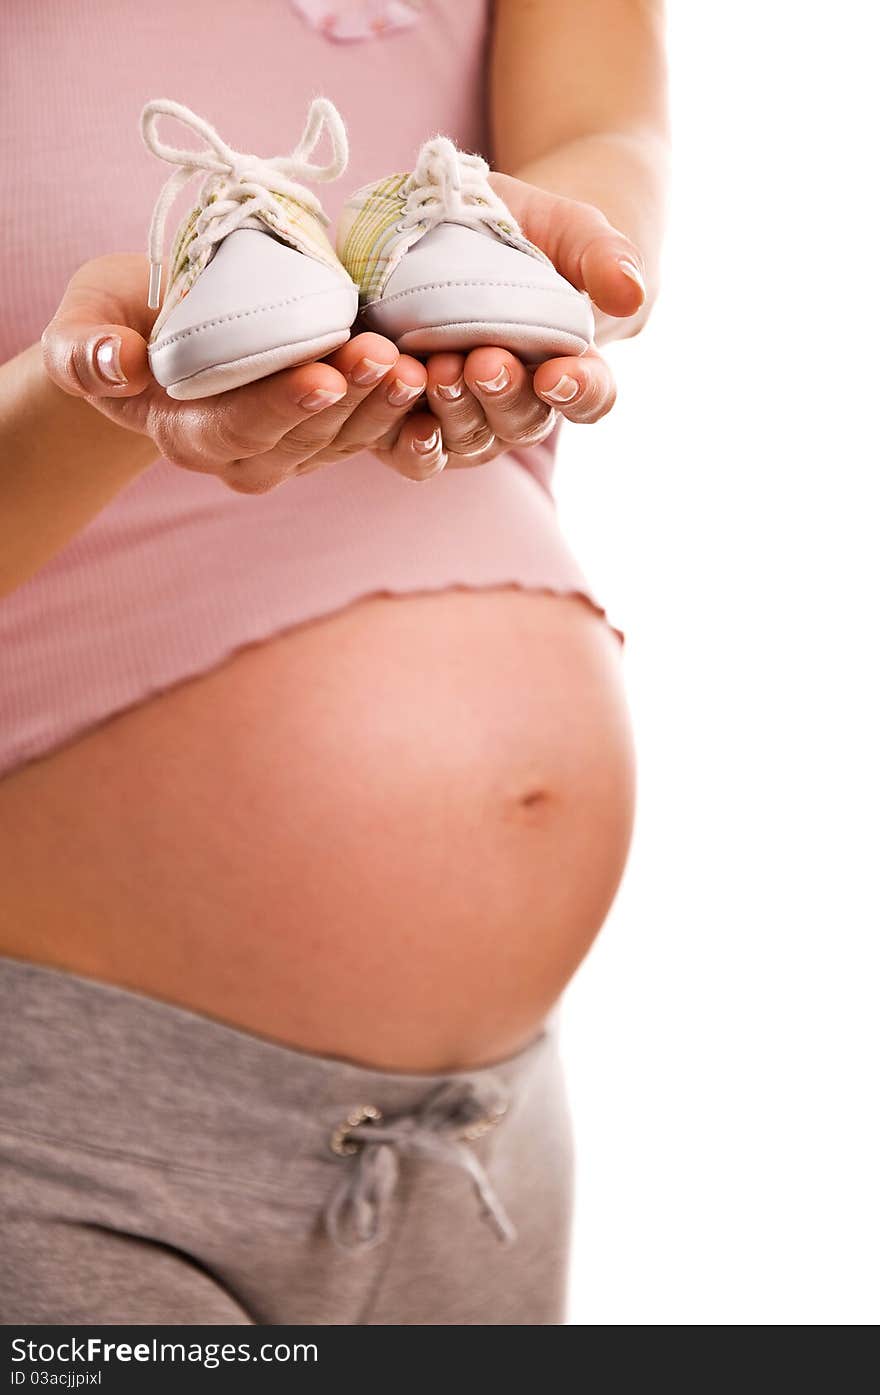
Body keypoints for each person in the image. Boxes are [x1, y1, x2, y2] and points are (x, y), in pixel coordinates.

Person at [0, 0, 668, 1324]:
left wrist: (536, 259)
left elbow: (605, 128)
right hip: (73, 1135)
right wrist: (105, 404)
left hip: (480, 1143)